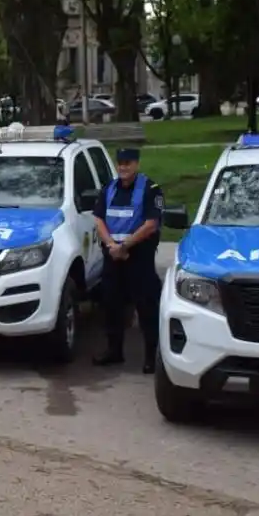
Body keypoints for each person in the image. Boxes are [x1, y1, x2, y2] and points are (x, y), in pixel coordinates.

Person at [92, 147, 164, 372]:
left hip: (139, 258)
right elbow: (98, 219)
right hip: (114, 257)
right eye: (120, 163)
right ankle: (114, 351)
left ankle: (152, 357)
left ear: (137, 164)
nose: (123, 167)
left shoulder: (151, 189)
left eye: (128, 163)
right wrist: (112, 246)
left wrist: (125, 246)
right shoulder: (109, 188)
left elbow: (151, 224)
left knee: (146, 308)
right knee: (111, 305)